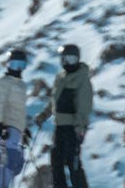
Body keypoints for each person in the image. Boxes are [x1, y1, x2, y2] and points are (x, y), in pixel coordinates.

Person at [48, 42, 92, 188]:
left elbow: (84, 104)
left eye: (72, 59)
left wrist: (80, 128)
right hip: (59, 126)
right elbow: (55, 100)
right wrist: (44, 115)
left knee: (72, 161)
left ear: (78, 59)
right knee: (56, 161)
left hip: (73, 127)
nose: (68, 63)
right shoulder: (60, 78)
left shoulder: (82, 78)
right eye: (65, 59)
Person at [0, 46, 30, 188]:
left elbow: (19, 110)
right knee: (9, 162)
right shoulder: (1, 83)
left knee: (17, 164)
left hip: (17, 130)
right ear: (7, 64)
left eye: (21, 65)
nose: (17, 68)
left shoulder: (22, 85)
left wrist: (24, 129)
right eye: (14, 64)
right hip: (7, 128)